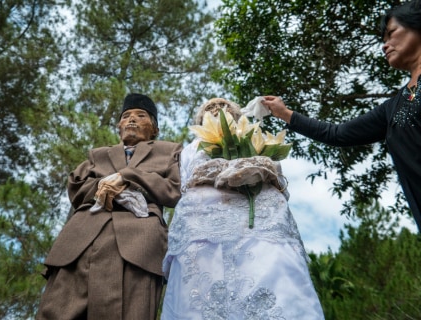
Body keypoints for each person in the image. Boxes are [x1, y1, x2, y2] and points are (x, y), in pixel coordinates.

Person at [262, 0, 421, 232]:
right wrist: (284, 114)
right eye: (383, 40)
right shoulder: (392, 109)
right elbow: (337, 134)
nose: (385, 45)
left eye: (391, 33)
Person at [161, 98, 325, 319]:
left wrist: (254, 168)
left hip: (257, 208)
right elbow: (187, 181)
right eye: (209, 108)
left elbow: (275, 172)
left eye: (223, 106)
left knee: (266, 261)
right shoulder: (192, 147)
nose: (217, 110)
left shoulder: (253, 136)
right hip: (205, 211)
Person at [36, 93, 182, 320]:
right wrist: (103, 185)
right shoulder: (98, 154)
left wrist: (128, 177)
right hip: (81, 242)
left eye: (141, 115)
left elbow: (175, 190)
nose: (132, 120)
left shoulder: (169, 152)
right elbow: (76, 187)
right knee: (58, 310)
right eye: (126, 116)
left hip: (139, 246)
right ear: (119, 126)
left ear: (154, 129)